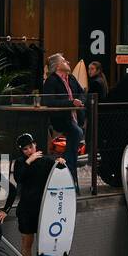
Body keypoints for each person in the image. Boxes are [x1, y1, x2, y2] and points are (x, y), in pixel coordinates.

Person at [9, 132, 55, 256]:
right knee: (27, 244)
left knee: (44, 245)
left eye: (31, 147)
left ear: (35, 145)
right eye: (25, 149)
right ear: (22, 151)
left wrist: (61, 162)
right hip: (27, 209)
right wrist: (29, 160)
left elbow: (57, 169)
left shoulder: (46, 161)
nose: (29, 151)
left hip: (43, 209)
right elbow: (18, 178)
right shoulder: (20, 163)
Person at [40, 53, 85, 191]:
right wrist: (71, 102)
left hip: (75, 117)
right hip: (61, 119)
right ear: (58, 66)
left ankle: (67, 171)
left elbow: (81, 92)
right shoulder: (51, 81)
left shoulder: (71, 78)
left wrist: (79, 100)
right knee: (76, 134)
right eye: (64, 61)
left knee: (74, 146)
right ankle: (68, 171)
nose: (68, 62)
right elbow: (49, 101)